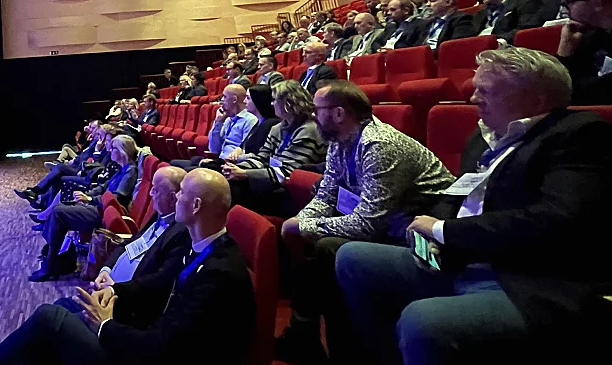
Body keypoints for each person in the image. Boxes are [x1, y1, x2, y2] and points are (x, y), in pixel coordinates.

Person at [334, 47, 611, 365]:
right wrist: (429, 233)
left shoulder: (579, 134)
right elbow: (456, 195)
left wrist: (443, 230)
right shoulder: (485, 137)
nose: (473, 99)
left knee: (424, 320)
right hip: (457, 260)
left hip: (524, 278)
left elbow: (558, 220)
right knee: (352, 256)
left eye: (486, 91)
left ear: (536, 99)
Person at [0, 169, 255, 365]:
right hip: (144, 334)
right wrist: (114, 292)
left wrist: (106, 325)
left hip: (146, 353)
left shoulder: (218, 275)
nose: (173, 197)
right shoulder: (203, 248)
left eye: (180, 193)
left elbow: (163, 348)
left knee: (50, 317)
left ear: (195, 206)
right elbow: (160, 292)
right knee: (64, 307)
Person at [275, 81, 455, 364]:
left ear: (338, 114)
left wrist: (304, 227)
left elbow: (368, 225)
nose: (312, 115)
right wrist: (300, 220)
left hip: (422, 240)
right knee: (321, 252)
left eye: (316, 109)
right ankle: (308, 334)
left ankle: (308, 334)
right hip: (387, 223)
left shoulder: (379, 145)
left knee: (327, 250)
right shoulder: (339, 141)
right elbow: (327, 195)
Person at [31, 134, 140, 281]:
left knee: (59, 212)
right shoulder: (122, 168)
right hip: (100, 206)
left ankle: (49, 265)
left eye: (113, 148)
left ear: (122, 151)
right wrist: (87, 194)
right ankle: (56, 259)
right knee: (62, 208)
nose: (110, 150)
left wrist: (90, 199)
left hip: (104, 212)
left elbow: (117, 198)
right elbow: (103, 187)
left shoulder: (129, 171)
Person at [222, 81, 327, 215]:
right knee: (223, 180)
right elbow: (262, 158)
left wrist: (244, 173)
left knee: (232, 188)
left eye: (274, 100)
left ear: (287, 104)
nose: (271, 104)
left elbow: (288, 171)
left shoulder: (309, 130)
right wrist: (235, 169)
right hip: (271, 180)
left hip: (289, 192)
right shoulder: (277, 128)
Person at [91, 166, 189, 294]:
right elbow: (129, 243)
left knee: (60, 310)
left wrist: (115, 289)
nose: (150, 193)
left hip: (123, 300)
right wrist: (106, 269)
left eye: (155, 190)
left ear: (172, 198)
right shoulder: (158, 214)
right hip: (108, 285)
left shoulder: (181, 232)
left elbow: (161, 279)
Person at [557, 0, 612, 104]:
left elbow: (597, 93)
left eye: (568, 3)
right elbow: (557, 85)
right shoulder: (590, 34)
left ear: (596, 4)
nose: (565, 10)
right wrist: (564, 52)